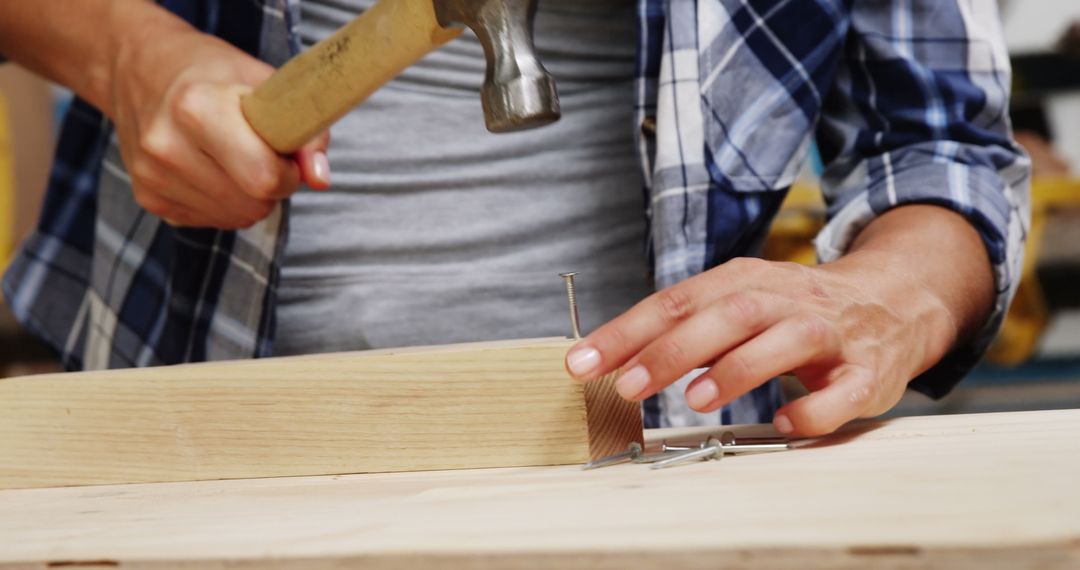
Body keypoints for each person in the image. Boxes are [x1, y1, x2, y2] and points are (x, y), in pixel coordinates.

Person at [0, 1, 1030, 437]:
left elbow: (944, 148)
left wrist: (883, 294)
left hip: (648, 451)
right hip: (189, 427)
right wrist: (129, 53)